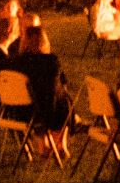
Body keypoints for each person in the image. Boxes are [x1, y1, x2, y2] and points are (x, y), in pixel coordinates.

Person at [11, 25, 73, 159]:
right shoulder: (50, 61)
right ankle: (60, 144)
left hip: (20, 111)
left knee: (55, 98)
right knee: (63, 101)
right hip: (44, 111)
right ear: (44, 41)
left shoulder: (17, 62)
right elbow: (53, 89)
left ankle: (42, 144)